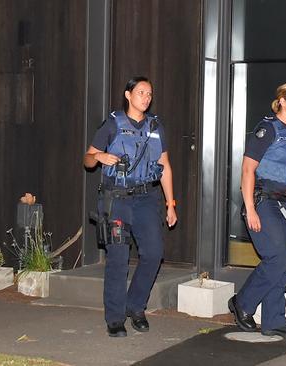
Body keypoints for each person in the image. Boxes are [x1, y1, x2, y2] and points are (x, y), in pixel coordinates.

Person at [84, 76, 177, 337]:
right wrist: (99, 156)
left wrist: (171, 204)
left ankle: (135, 306)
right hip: (117, 198)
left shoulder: (156, 127)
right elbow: (88, 159)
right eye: (141, 92)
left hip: (147, 198)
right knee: (118, 258)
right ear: (128, 94)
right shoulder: (112, 124)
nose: (146, 97)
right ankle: (115, 318)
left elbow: (165, 167)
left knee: (154, 252)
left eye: (149, 93)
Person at [228, 82, 286, 339]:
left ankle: (273, 320)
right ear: (283, 101)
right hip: (264, 202)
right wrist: (250, 209)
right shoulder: (267, 130)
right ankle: (242, 303)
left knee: (284, 263)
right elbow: (247, 170)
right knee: (276, 258)